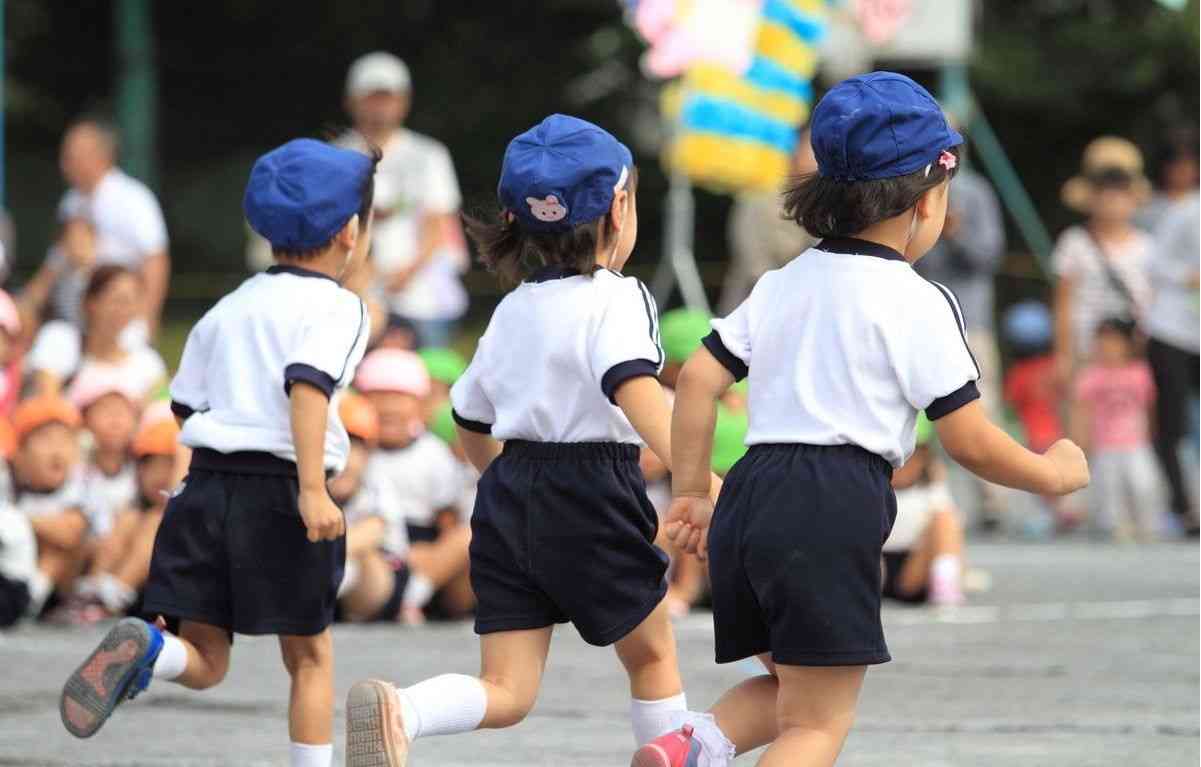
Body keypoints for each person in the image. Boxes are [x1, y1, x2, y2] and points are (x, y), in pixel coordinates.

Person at [637, 72, 1090, 767]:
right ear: (924, 202)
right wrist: (1050, 473)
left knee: (794, 684)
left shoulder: (781, 282)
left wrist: (694, 491)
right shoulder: (917, 299)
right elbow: (968, 439)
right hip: (833, 498)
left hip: (750, 494)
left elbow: (696, 379)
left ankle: (689, 745)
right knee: (817, 725)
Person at [343, 114, 721, 767]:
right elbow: (636, 391)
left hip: (510, 491)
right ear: (619, 208)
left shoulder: (513, 307)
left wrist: (499, 481)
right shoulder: (618, 297)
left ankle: (406, 709)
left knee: (508, 688)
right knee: (652, 651)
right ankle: (668, 757)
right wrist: (695, 483)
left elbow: (467, 416)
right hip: (594, 487)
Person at [58, 138, 376, 767]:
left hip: (204, 487)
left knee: (206, 662)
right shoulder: (340, 307)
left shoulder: (227, 308)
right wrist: (313, 488)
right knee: (309, 659)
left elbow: (183, 407)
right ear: (349, 232)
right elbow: (308, 386)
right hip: (284, 490)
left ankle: (153, 652)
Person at [340, 51, 468, 347]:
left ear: (404, 100)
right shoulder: (336, 155)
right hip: (355, 296)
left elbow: (439, 221)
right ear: (350, 100)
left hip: (424, 298)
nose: (380, 106)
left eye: (388, 97)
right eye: (371, 97)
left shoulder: (429, 154)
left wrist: (408, 271)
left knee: (428, 382)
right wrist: (361, 275)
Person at [914, 143, 1007, 529]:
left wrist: (955, 234)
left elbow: (989, 255)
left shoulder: (975, 191)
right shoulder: (907, 187)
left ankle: (993, 501)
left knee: (981, 408)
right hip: (917, 316)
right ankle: (930, 496)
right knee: (920, 414)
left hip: (971, 320)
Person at [20, 117, 169, 341]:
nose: (63, 165)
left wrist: (147, 319)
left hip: (119, 326)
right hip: (73, 323)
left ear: (100, 156)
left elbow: (156, 261)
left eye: (70, 157)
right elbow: (56, 263)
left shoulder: (133, 199)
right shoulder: (70, 202)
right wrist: (25, 304)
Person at [352, 348, 473, 621]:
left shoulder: (433, 454)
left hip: (422, 546)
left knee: (468, 536)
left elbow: (447, 513)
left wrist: (436, 550)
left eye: (399, 398)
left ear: (419, 404)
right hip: (377, 546)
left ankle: (413, 596)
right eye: (378, 397)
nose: (389, 407)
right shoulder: (356, 451)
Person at [68, 405, 182, 621]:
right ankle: (94, 588)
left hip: (170, 594)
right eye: (153, 466)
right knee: (131, 518)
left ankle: (116, 591)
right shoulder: (132, 510)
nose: (160, 475)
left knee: (156, 519)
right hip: (137, 594)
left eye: (168, 466)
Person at [1053, 137, 1153, 379]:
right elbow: (1062, 305)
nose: (1111, 198)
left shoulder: (1149, 247)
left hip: (1133, 358)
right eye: (1104, 190)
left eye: (1120, 191)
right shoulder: (1073, 242)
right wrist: (1063, 356)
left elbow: (1152, 304)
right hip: (1085, 357)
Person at [1071, 319, 1162, 540]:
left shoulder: (1139, 373)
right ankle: (1115, 524)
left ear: (1126, 345)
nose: (1108, 349)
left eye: (1114, 343)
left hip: (1135, 441)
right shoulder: (1091, 376)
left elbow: (1150, 406)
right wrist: (1080, 440)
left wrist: (1152, 432)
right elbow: (1082, 410)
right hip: (1105, 443)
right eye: (1102, 343)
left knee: (1143, 483)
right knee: (1108, 487)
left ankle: (1148, 523)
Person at [1144, 192, 1200, 534]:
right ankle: (1182, 507)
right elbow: (1155, 262)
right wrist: (1187, 276)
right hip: (1173, 330)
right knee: (1172, 425)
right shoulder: (1186, 212)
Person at [28, 265, 167, 400]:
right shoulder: (59, 340)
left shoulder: (149, 362)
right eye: (116, 300)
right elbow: (47, 400)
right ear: (90, 302)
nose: (123, 310)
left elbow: (162, 410)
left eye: (130, 302)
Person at [720, 130, 818, 314]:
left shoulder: (827, 203)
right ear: (794, 150)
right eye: (812, 147)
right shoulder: (761, 196)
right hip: (753, 308)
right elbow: (754, 262)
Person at [10, 395, 87, 616]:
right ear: (21, 452)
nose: (57, 450)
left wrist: (18, 520)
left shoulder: (79, 484)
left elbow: (69, 532)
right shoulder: (9, 481)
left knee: (59, 543)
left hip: (64, 582)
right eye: (46, 439)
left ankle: (27, 601)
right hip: (14, 568)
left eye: (65, 440)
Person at [883, 415, 965, 606]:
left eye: (912, 457)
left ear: (924, 458)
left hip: (914, 567)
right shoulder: (871, 482)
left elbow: (950, 532)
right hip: (874, 566)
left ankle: (945, 580)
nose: (903, 465)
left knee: (946, 519)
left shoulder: (932, 487)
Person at [1135, 129, 1199, 232]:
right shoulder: (1146, 206)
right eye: (1176, 163)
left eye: (1188, 163)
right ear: (1163, 166)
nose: (1183, 170)